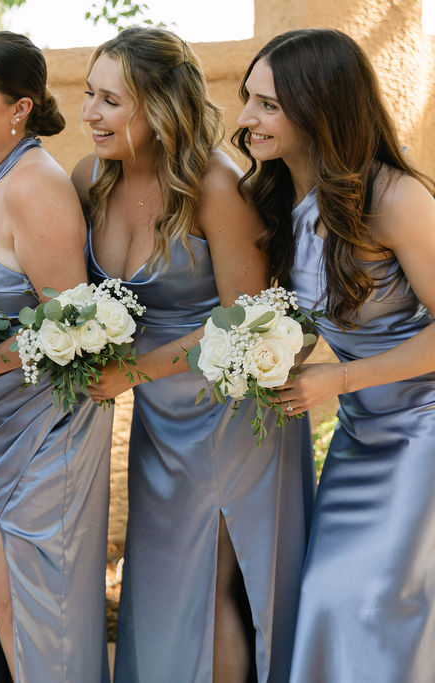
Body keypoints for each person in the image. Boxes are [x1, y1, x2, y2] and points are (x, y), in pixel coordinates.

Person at [74, 27, 314, 683]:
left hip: (232, 411)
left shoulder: (215, 186)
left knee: (215, 589)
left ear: (158, 108)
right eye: (88, 94)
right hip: (161, 419)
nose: (89, 112)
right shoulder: (90, 177)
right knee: (163, 588)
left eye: (109, 100)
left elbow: (250, 320)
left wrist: (133, 370)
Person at [235, 28, 435, 682]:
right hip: (359, 436)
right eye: (248, 100)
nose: (246, 119)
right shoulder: (283, 201)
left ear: (319, 106)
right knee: (323, 601)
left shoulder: (397, 198)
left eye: (268, 104)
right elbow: (325, 313)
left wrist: (338, 377)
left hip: (422, 434)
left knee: (364, 602)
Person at [0, 31, 111, 682]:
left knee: (28, 597)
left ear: (19, 108)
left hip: (47, 424)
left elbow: (71, 327)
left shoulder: (36, 186)